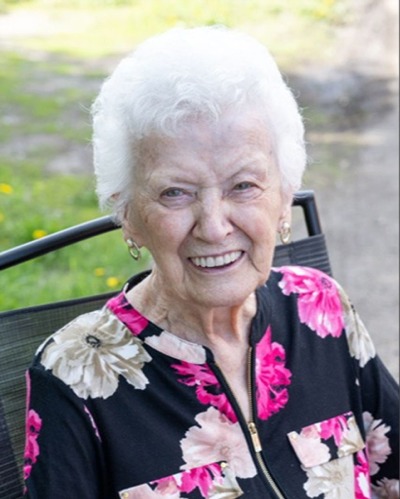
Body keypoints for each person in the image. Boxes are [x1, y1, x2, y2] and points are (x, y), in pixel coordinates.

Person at [23, 26, 399, 499]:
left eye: (243, 186)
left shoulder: (320, 308)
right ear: (128, 216)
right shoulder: (75, 375)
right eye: (175, 193)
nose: (214, 227)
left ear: (284, 198)